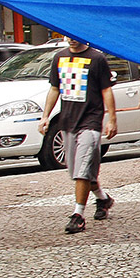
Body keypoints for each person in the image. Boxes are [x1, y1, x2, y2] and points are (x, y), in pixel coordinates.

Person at [39, 39, 117, 234]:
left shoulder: (97, 59)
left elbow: (106, 90)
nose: (71, 39)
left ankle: (78, 215)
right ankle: (102, 198)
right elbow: (55, 89)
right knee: (79, 170)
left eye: (73, 35)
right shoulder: (60, 57)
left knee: (82, 170)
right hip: (68, 122)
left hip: (90, 122)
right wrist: (45, 116)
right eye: (67, 36)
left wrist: (112, 119)